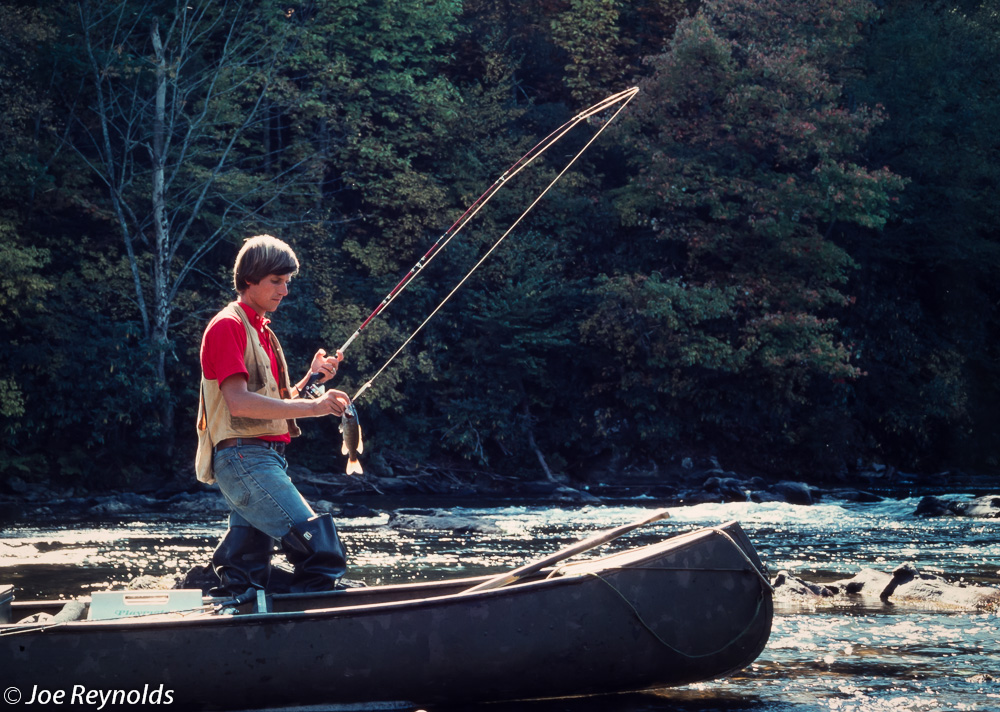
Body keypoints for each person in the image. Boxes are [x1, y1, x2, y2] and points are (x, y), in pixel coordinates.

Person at [195, 234, 351, 597]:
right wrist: (314, 407)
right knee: (319, 549)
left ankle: (237, 618)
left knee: (246, 566)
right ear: (249, 279)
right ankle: (318, 626)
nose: (285, 291)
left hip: (262, 459)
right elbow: (239, 404)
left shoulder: (262, 331)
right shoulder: (228, 326)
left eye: (287, 282)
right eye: (276, 281)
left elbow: (272, 406)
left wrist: (312, 381)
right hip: (244, 458)